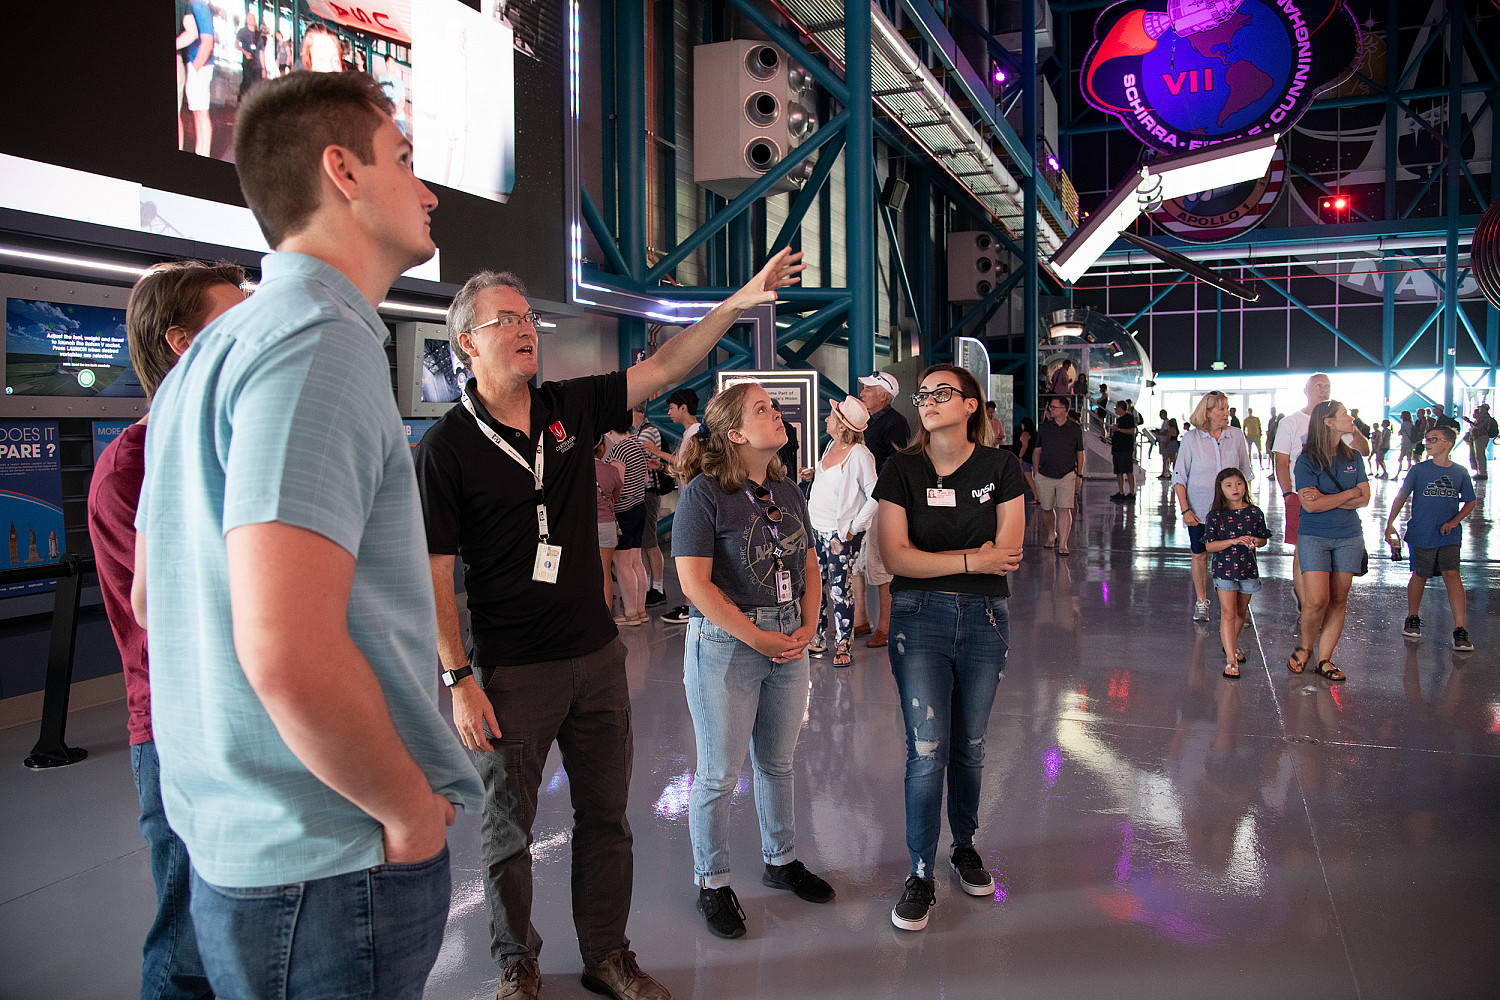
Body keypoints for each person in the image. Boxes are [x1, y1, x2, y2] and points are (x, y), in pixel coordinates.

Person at [131, 72, 484, 998]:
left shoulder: (214, 354)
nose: (428, 188)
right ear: (344, 171)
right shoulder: (316, 340)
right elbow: (285, 648)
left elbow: (148, 594)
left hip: (245, 846)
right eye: (404, 160)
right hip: (330, 861)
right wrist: (406, 812)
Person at [415, 247, 803, 1000]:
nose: (527, 330)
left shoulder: (567, 406)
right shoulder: (446, 448)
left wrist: (736, 303)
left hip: (594, 657)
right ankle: (516, 962)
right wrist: (458, 677)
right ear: (467, 341)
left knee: (606, 819)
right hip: (510, 669)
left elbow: (661, 371)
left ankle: (606, 955)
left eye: (531, 319)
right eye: (508, 321)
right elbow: (434, 571)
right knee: (508, 834)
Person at [88, 261, 245, 1000]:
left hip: (246, 721)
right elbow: (177, 609)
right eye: (234, 322)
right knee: (187, 944)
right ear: (183, 344)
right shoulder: (132, 467)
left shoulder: (229, 448)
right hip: (181, 729)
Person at [671, 381, 834, 939]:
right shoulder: (704, 494)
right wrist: (757, 638)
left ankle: (780, 859)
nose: (777, 414)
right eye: (762, 409)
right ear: (735, 433)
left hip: (789, 638)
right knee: (719, 773)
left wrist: (809, 622)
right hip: (728, 646)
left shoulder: (785, 489)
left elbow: (809, 560)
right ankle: (712, 881)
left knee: (779, 763)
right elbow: (694, 585)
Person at [875, 364, 1026, 932]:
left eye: (944, 393)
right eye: (925, 394)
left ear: (972, 405)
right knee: (927, 747)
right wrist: (970, 559)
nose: (930, 401)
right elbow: (895, 557)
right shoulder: (901, 469)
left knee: (972, 744)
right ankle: (920, 870)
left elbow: (1007, 553)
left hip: (986, 617)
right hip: (918, 619)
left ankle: (964, 845)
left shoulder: (1000, 465)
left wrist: (949, 560)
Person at [1288, 400, 1371, 683]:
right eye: (1345, 414)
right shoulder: (1306, 461)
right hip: (1314, 536)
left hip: (1349, 536)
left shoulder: (1353, 457)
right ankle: (1305, 647)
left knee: (1339, 598)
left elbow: (1365, 497)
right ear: (1328, 422)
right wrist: (1348, 495)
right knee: (1317, 600)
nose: (1350, 417)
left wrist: (1329, 500)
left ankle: (1325, 659)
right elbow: (1309, 507)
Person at [1272, 373, 1368, 609]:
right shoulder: (1291, 422)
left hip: (1335, 495)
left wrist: (1353, 429)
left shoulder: (1337, 421)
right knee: (1301, 550)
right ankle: (1306, 605)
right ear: (1306, 389)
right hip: (1301, 494)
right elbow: (1282, 462)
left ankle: (1320, 602)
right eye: (1318, 385)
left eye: (1327, 385)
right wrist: (1287, 494)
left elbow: (1364, 451)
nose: (1324, 389)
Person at [1385, 425, 1476, 651]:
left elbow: (1470, 501)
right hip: (1422, 532)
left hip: (1449, 534)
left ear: (1447, 443)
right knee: (1420, 574)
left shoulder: (1460, 472)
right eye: (1426, 439)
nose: (1427, 443)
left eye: (1433, 439)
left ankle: (1460, 629)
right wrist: (1390, 523)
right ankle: (1412, 617)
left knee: (1452, 575)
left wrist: (1455, 521)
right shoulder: (1419, 470)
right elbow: (1402, 495)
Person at [801, 396, 877, 666]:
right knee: (815, 587)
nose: (826, 419)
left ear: (842, 425)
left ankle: (843, 646)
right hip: (816, 528)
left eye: (831, 416)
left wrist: (853, 529)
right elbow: (835, 482)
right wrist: (815, 474)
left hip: (839, 534)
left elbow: (875, 495)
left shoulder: (859, 455)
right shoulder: (832, 445)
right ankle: (817, 638)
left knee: (839, 590)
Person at [1173, 391, 1253, 623]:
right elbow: (1179, 478)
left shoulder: (1236, 436)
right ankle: (1201, 602)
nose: (1226, 413)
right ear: (1206, 413)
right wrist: (1186, 510)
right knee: (1200, 555)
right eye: (1221, 409)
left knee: (1236, 555)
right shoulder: (1191, 439)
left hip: (1233, 511)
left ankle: (1236, 609)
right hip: (1200, 510)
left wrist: (1248, 510)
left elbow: (1246, 474)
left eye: (1227, 408)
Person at [853, 372, 911, 648]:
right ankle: (860, 620)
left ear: (883, 395)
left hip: (878, 502)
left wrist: (877, 494)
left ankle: (885, 626)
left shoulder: (895, 423)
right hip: (859, 500)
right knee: (857, 563)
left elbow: (896, 463)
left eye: (868, 389)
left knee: (879, 565)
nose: (863, 393)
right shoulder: (865, 422)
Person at [1202, 469, 1271, 678]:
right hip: (1224, 570)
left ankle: (1230, 643)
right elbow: (1210, 546)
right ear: (1221, 489)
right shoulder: (1216, 515)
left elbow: (1263, 538)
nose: (1235, 489)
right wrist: (1233, 541)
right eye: (1229, 485)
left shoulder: (1254, 512)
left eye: (1239, 484)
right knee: (1228, 612)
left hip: (1248, 570)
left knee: (1241, 613)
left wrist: (1256, 541)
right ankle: (1231, 659)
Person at [659, 390, 703, 625]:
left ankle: (691, 606)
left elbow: (687, 463)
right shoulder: (691, 433)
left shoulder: (696, 432)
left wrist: (657, 453)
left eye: (672, 408)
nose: (669, 413)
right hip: (689, 499)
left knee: (691, 554)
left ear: (683, 408)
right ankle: (690, 604)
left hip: (693, 502)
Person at [606, 427, 651, 625]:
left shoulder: (619, 450)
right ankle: (640, 611)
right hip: (639, 507)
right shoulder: (637, 445)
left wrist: (611, 501)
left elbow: (619, 481)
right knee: (635, 561)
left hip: (623, 510)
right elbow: (645, 478)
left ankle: (630, 613)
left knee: (622, 563)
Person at [1029, 395, 1084, 555]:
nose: (1050, 410)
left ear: (1064, 409)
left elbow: (1080, 453)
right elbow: (1037, 451)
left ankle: (1063, 544)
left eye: (1053, 407)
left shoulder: (1075, 429)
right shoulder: (1045, 428)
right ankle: (1051, 533)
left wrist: (1079, 474)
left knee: (1064, 508)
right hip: (1045, 474)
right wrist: (1036, 470)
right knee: (1047, 509)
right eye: (1050, 407)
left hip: (1067, 474)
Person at [629, 406, 669, 604]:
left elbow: (640, 460)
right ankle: (647, 587)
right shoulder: (638, 431)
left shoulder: (648, 431)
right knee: (644, 543)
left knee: (650, 542)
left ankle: (658, 588)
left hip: (648, 493)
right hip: (641, 493)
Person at [176, 0, 214, 156]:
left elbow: (207, 41)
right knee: (197, 112)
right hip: (196, 63)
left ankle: (204, 154)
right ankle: (201, 152)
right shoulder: (193, 6)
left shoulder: (198, 6)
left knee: (201, 112)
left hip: (199, 65)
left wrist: (196, 66)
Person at [595, 438, 623, 612]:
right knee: (605, 570)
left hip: (582, 526)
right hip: (606, 524)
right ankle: (606, 615)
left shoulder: (576, 470)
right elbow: (616, 497)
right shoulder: (611, 471)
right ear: (602, 447)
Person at [1110, 399, 1138, 502]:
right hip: (1118, 449)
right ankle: (1121, 492)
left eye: (1116, 407)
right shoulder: (1120, 419)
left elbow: (1132, 430)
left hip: (1125, 449)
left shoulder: (1128, 418)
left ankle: (1132, 492)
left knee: (1128, 470)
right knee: (1119, 471)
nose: (1115, 409)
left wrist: (1119, 430)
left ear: (1121, 408)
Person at [1463, 402, 1496, 479]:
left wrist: (1468, 421)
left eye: (1481, 408)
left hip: (1481, 437)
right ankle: (1480, 472)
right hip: (1479, 438)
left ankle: (1482, 473)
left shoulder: (1484, 417)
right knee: (1478, 455)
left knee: (1480, 455)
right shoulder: (1483, 417)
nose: (1480, 409)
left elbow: (1479, 427)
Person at [236, 12, 263, 100]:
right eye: (249, 18)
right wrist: (245, 53)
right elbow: (237, 44)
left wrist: (263, 66)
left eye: (252, 18)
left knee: (258, 83)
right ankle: (241, 99)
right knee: (247, 81)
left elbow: (261, 51)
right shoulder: (242, 32)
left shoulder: (258, 34)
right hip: (247, 61)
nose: (250, 20)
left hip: (257, 62)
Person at [1395, 409, 1416, 474]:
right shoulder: (1411, 424)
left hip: (1405, 442)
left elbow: (1400, 432)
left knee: (1401, 459)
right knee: (1409, 459)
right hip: (1411, 443)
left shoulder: (1404, 423)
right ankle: (1409, 472)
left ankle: (1397, 474)